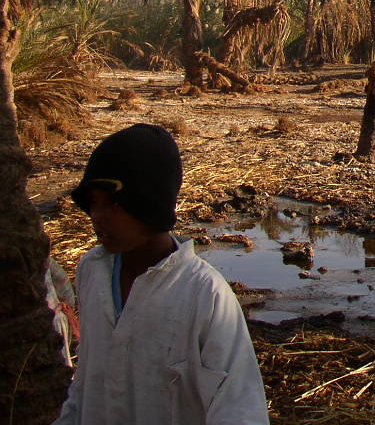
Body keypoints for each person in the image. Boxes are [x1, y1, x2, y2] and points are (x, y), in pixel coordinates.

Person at [54, 123, 269, 425]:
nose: (97, 217)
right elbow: (87, 380)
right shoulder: (93, 271)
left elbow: (239, 409)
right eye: (93, 203)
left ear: (149, 203)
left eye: (113, 203)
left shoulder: (204, 294)